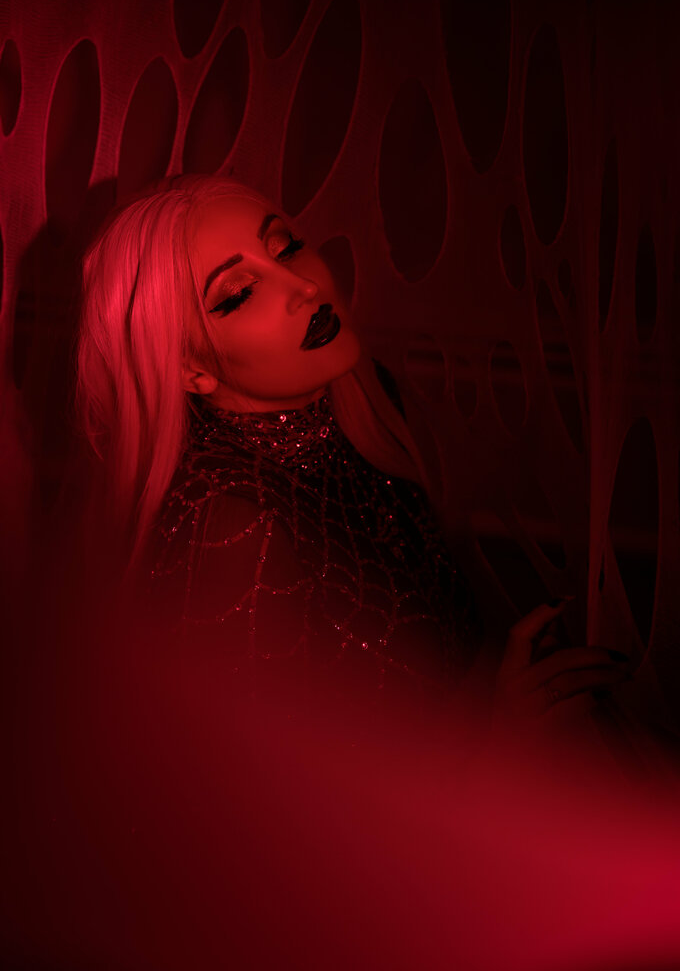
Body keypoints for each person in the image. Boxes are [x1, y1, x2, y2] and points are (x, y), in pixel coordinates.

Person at [75, 173, 630, 729]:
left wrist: (502, 686)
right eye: (240, 292)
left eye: (287, 248)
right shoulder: (233, 522)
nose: (303, 286)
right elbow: (242, 781)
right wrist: (501, 738)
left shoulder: (367, 411)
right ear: (189, 368)